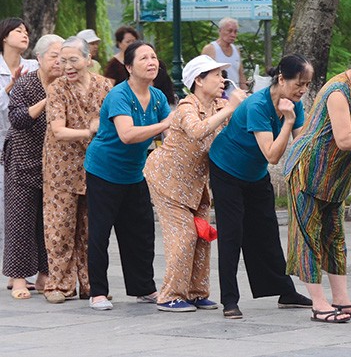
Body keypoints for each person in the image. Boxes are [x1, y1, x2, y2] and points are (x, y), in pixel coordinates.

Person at [283, 26, 351, 324]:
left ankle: (342, 300)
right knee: (308, 235)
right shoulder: (336, 90)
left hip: (337, 174)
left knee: (335, 236)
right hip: (308, 170)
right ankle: (319, 303)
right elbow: (345, 139)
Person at [208, 54, 314, 319]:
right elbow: (272, 155)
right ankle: (229, 299)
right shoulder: (258, 105)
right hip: (227, 170)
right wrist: (288, 122)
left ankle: (285, 291)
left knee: (266, 231)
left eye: (307, 85)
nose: (302, 90)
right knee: (232, 234)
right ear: (281, 78)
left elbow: (302, 144)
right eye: (298, 83)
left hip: (254, 175)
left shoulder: (294, 104)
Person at [144, 55, 246, 312]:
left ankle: (196, 292)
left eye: (222, 75)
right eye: (215, 75)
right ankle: (170, 296)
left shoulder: (217, 106)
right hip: (167, 182)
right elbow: (198, 130)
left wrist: (239, 105)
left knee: (202, 235)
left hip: (195, 185)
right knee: (184, 235)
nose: (222, 80)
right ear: (198, 81)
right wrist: (230, 109)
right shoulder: (187, 107)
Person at [84, 41, 172, 311]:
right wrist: (165, 124)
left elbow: (170, 136)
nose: (151, 62)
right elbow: (127, 134)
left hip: (134, 174)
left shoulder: (157, 97)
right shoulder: (119, 95)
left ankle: (143, 288)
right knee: (100, 232)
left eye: (154, 57)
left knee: (141, 232)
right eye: (144, 58)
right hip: (104, 171)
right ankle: (98, 292)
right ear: (129, 67)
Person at [41, 36, 114, 304]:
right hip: (60, 168)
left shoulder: (106, 86)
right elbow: (58, 130)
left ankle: (90, 285)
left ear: (88, 60)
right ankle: (58, 285)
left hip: (95, 166)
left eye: (73, 60)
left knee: (90, 229)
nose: (67, 66)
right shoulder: (57, 88)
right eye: (62, 61)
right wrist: (91, 131)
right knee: (60, 228)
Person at [2, 34, 62, 299]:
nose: (59, 62)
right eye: (54, 56)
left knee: (49, 221)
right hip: (22, 159)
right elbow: (16, 119)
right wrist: (47, 100)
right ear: (39, 58)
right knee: (20, 220)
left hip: (54, 162)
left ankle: (44, 275)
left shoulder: (66, 85)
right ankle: (17, 279)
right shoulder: (26, 83)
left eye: (64, 57)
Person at [0, 18, 39, 285]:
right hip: (3, 139)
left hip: (29, 146)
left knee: (29, 211)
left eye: (26, 32)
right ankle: (15, 271)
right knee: (8, 211)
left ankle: (32, 271)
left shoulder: (35, 67)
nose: (24, 35)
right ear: (4, 37)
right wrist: (11, 89)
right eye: (18, 31)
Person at [202, 17, 247, 88]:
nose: (233, 35)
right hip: (218, 95)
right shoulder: (210, 49)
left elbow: (241, 75)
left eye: (235, 32)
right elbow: (203, 75)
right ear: (220, 31)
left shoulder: (236, 50)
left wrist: (245, 92)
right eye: (229, 31)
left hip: (235, 94)